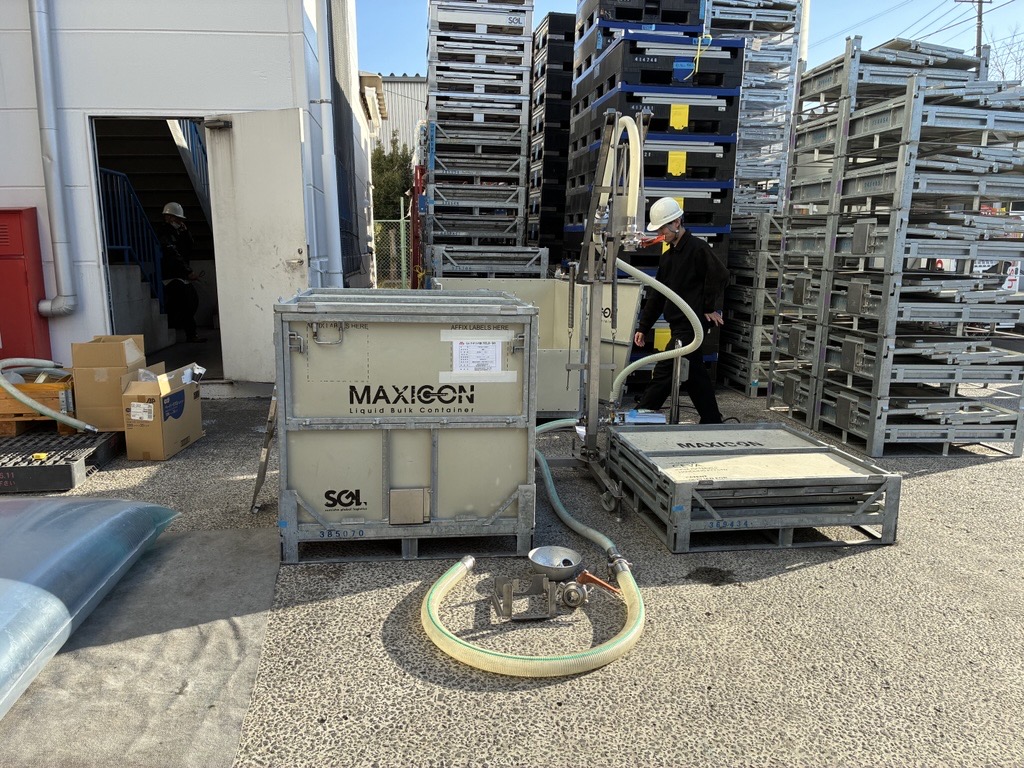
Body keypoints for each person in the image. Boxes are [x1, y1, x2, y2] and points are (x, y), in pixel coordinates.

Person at [632, 197, 729, 423]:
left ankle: (638, 418)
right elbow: (658, 294)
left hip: (690, 326)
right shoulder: (668, 258)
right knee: (694, 374)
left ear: (676, 223)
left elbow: (720, 275)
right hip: (679, 324)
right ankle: (712, 420)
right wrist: (644, 327)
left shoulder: (698, 249)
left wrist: (708, 307)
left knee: (666, 370)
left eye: (662, 229)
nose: (660, 234)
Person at [155, 202, 205, 343]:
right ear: (170, 217)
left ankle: (191, 333)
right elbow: (173, 254)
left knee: (190, 301)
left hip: (179, 274)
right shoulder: (164, 233)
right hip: (171, 275)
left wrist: (185, 232)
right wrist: (188, 271)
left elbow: (188, 247)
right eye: (178, 219)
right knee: (186, 302)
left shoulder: (178, 233)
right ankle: (190, 334)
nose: (180, 222)